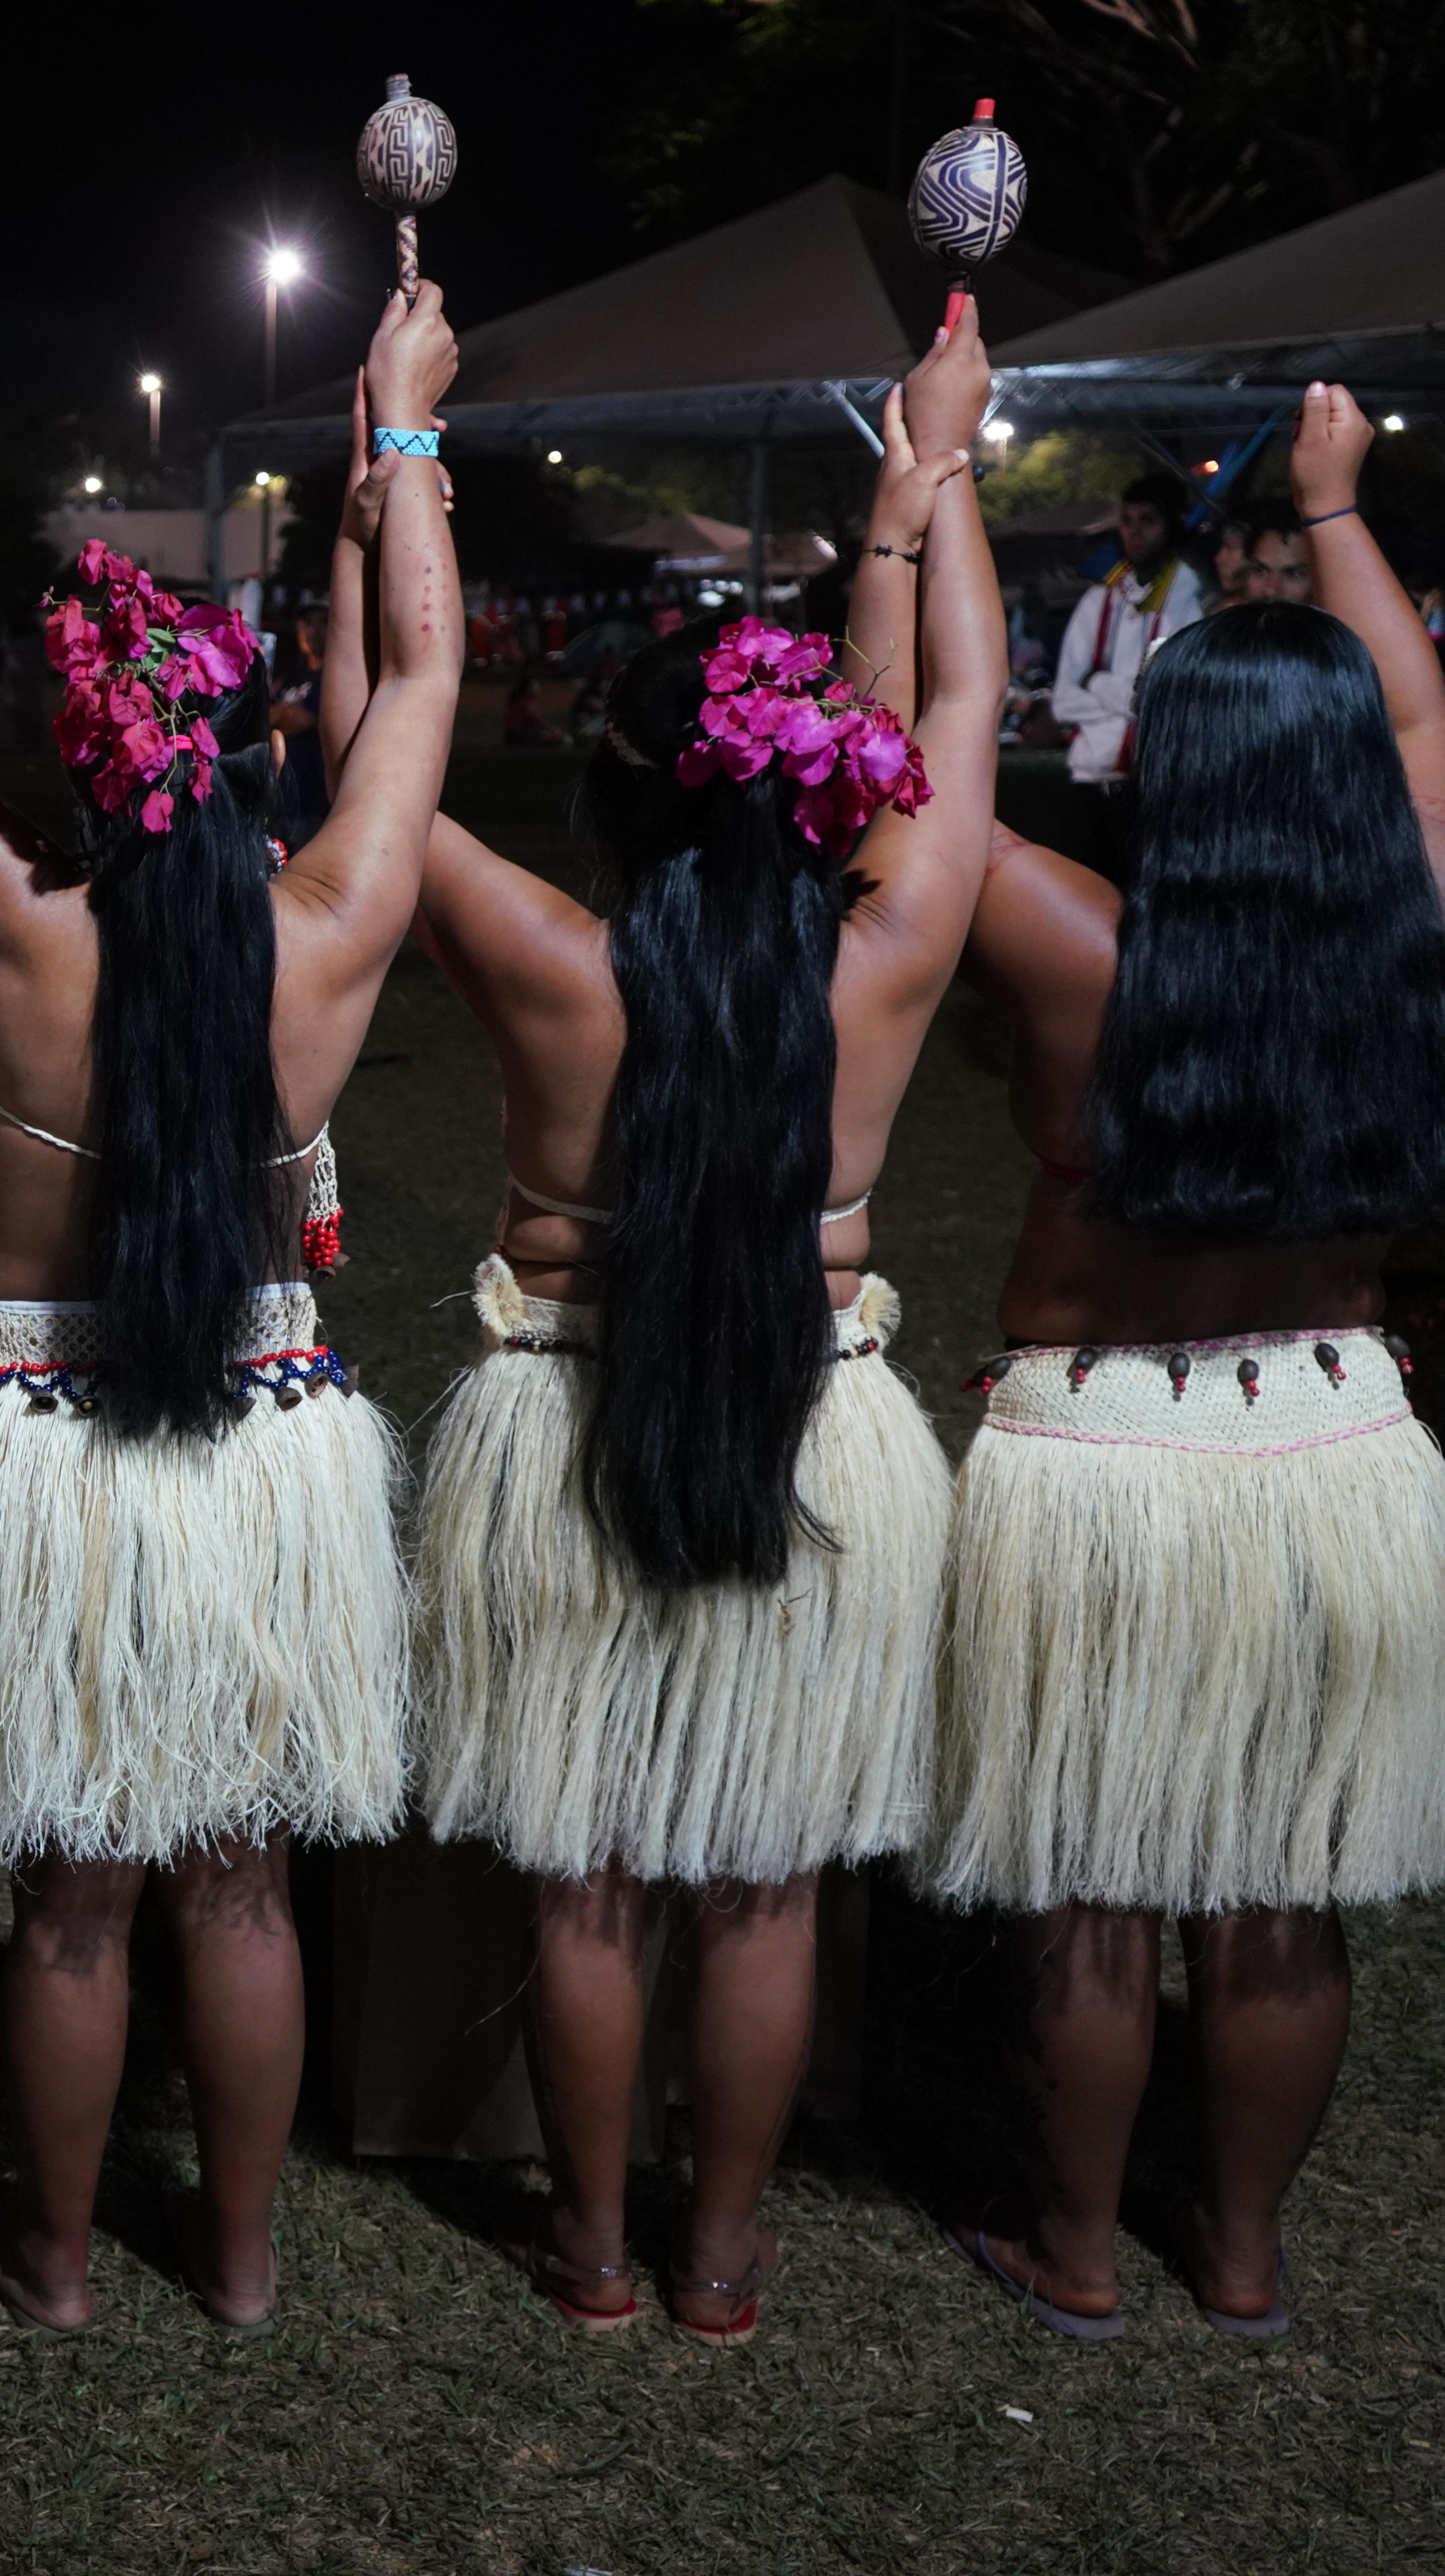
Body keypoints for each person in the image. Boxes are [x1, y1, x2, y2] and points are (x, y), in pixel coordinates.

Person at [0, 284, 460, 2338]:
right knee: (234, 1878)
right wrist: (402, 435)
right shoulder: (323, 932)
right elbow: (419, 666)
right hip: (264, 1449)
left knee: (71, 1898)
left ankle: (56, 2263)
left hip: (48, 1460)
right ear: (251, 747)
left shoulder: (3, 922)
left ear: (71, 756)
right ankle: (236, 2265)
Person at [400, 307, 998, 2343]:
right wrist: (921, 499)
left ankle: (582, 2253)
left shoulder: (552, 966)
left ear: (614, 786)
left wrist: (402, 449)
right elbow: (965, 715)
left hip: (561, 1434)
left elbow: (388, 731)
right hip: (815, 1428)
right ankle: (719, 2259)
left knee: (588, 1874)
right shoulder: (890, 949)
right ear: (823, 791)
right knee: (757, 1886)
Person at [930, 383, 1445, 2342]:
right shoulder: (1423, 929)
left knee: (1089, 1890)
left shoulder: (1073, 939)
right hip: (1331, 1434)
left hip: (1094, 1448)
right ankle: (1238, 2254)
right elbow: (1427, 739)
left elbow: (918, 776)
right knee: (1273, 1899)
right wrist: (1335, 509)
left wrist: (917, 495)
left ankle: (1078, 2252)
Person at [1046, 474, 1206, 883]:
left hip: (1155, 785)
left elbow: (1168, 700)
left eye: (1147, 521)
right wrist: (1132, 703)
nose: (1134, 532)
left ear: (1171, 524)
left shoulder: (1191, 598)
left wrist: (1097, 682)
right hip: (1091, 783)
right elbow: (1064, 701)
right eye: (1128, 521)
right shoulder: (1099, 599)